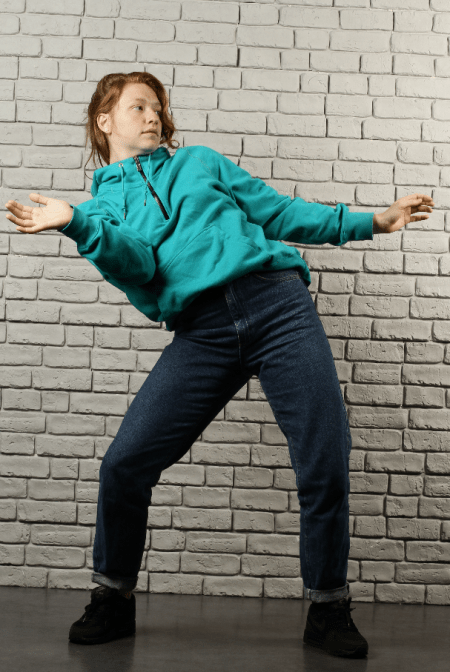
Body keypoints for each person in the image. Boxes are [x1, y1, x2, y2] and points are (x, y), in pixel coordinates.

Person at [5, 72, 433, 657]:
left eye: (158, 108)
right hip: (203, 333)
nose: (153, 117)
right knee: (125, 464)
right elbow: (140, 266)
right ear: (105, 120)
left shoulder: (199, 162)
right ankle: (113, 596)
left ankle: (328, 607)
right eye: (138, 107)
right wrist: (76, 223)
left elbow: (278, 212)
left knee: (325, 455)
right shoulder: (99, 211)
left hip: (278, 306)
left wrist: (372, 223)